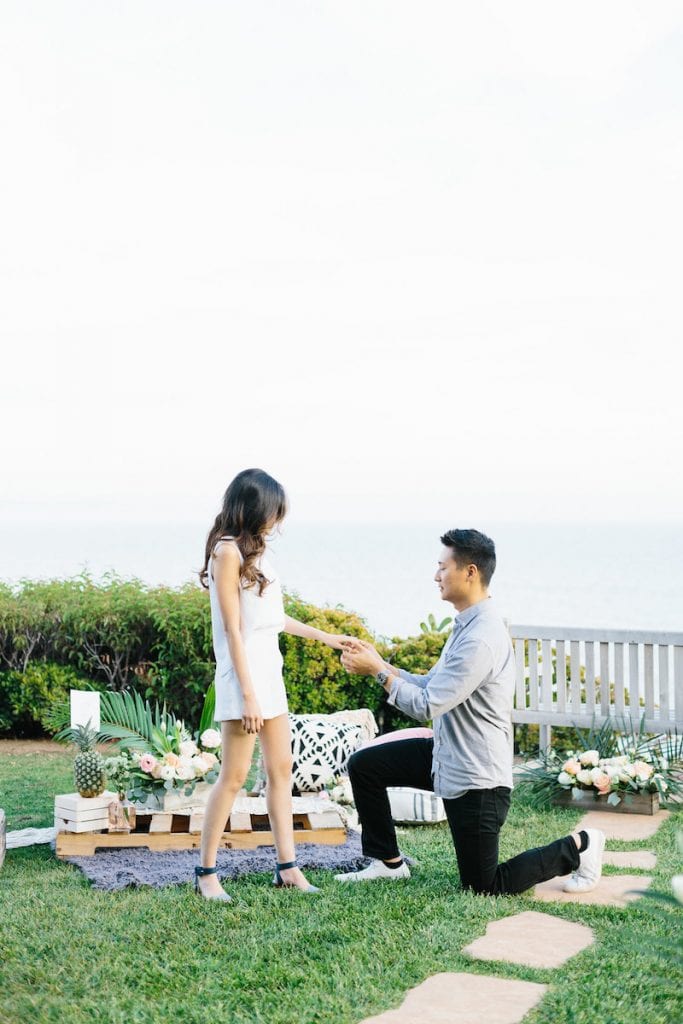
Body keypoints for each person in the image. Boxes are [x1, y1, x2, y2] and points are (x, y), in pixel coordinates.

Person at [336, 528, 605, 895]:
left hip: (478, 780)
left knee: (484, 885)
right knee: (365, 765)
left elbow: (427, 704)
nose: (436, 576)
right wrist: (381, 663)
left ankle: (580, 846)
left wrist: (379, 673)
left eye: (442, 567)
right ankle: (386, 862)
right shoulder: (466, 624)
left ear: (470, 572)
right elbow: (431, 682)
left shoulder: (481, 637)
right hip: (445, 756)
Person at [195, 468, 354, 901]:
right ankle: (206, 872)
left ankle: (288, 868)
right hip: (242, 676)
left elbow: (272, 620)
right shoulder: (227, 552)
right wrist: (247, 693)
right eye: (272, 512)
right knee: (234, 776)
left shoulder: (257, 553)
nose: (276, 522)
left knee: (280, 770)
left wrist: (325, 637)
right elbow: (232, 628)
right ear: (252, 507)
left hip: (270, 673)